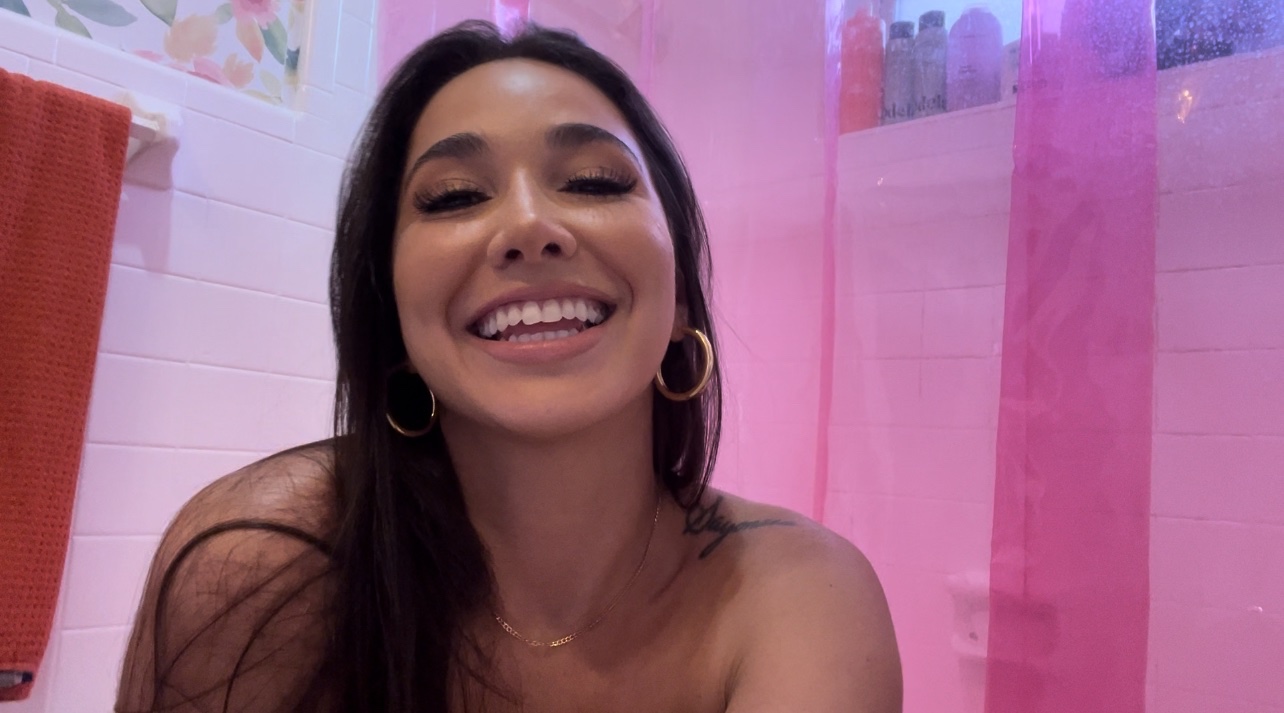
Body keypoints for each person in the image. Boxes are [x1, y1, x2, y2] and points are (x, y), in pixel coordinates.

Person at [115, 20, 901, 713]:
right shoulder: (257, 569)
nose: (529, 225)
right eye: (454, 197)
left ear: (679, 303)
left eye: (594, 181)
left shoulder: (800, 599)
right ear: (392, 315)